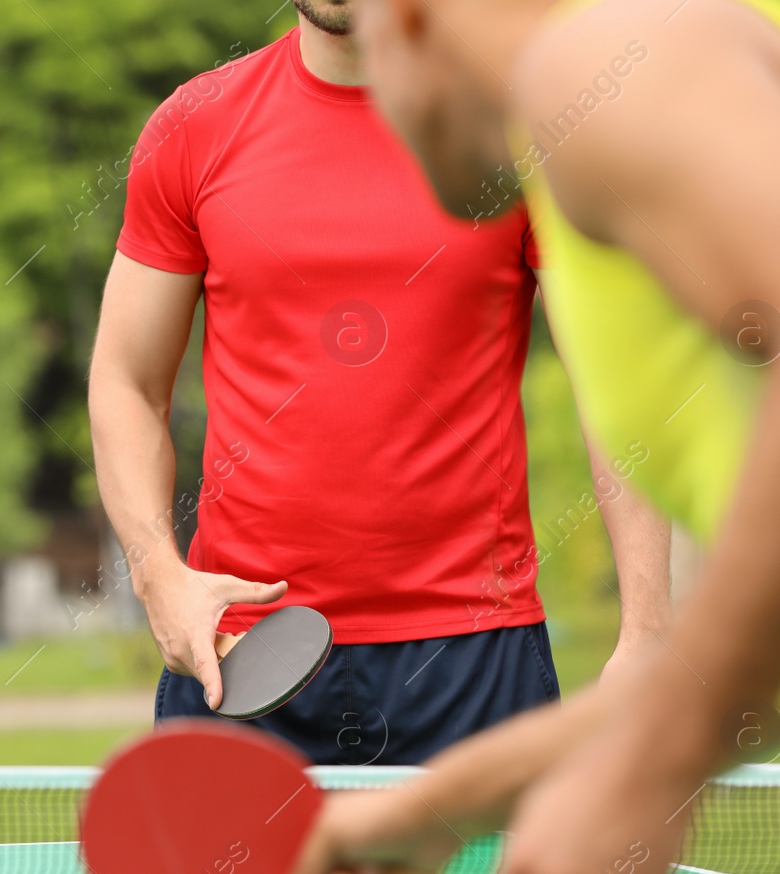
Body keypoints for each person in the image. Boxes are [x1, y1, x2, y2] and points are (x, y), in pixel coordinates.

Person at [279, 0, 780, 874]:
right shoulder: (635, 131)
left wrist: (647, 772)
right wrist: (436, 807)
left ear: (408, 21)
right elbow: (750, 660)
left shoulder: (605, 58)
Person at [87, 0, 670, 766]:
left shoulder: (521, 128)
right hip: (237, 655)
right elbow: (126, 378)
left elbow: (616, 383)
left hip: (474, 662)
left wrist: (649, 632)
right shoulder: (194, 125)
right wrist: (157, 572)